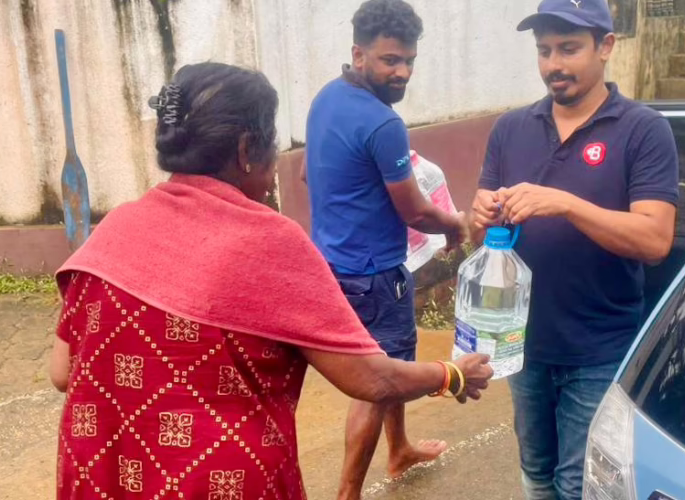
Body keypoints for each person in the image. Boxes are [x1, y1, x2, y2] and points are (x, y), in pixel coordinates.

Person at [48, 61, 492, 500]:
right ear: (246, 150)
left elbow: (63, 373)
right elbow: (370, 379)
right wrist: (451, 374)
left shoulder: (113, 229)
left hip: (99, 476)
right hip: (220, 484)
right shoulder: (268, 241)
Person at [470, 1, 680, 499]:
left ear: (606, 47)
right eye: (544, 51)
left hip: (598, 349)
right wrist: (476, 217)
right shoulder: (511, 129)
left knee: (580, 484)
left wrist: (567, 204)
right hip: (522, 345)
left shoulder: (643, 130)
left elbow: (655, 240)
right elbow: (485, 237)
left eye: (568, 49)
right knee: (537, 475)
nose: (553, 65)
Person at [302, 1, 468, 498]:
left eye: (409, 60)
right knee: (378, 385)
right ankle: (349, 492)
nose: (402, 72)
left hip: (331, 262)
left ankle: (398, 449)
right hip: (375, 275)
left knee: (393, 368)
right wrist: (456, 225)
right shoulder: (382, 123)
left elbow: (312, 174)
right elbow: (415, 211)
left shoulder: (325, 99)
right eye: (389, 60)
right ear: (359, 53)